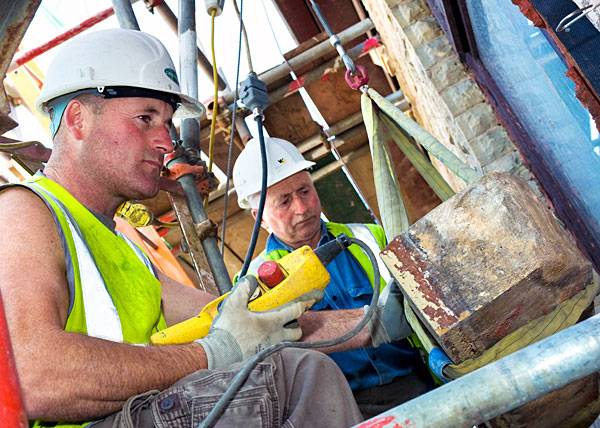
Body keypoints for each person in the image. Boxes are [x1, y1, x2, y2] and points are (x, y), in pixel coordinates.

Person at [0, 28, 365, 428]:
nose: (165, 141)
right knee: (297, 376)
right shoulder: (25, 211)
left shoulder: (123, 246)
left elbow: (252, 319)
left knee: (284, 362)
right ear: (77, 119)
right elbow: (33, 377)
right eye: (145, 118)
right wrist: (213, 353)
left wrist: (373, 320)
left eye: (168, 124)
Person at [232, 136, 434, 417]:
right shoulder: (254, 283)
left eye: (304, 191)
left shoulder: (368, 237)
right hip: (344, 410)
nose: (301, 208)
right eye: (284, 201)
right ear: (260, 218)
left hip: (420, 383)